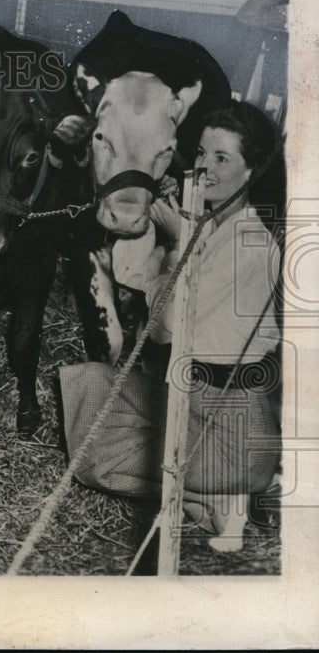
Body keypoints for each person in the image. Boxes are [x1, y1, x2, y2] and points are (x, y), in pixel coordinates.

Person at [60, 100, 282, 554]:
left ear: (251, 171)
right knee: (90, 383)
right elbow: (139, 283)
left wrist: (174, 240)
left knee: (95, 461)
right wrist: (171, 235)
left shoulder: (250, 244)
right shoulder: (212, 225)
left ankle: (223, 493)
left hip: (232, 426)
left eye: (222, 158)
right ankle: (211, 501)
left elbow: (160, 327)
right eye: (201, 153)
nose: (203, 168)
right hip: (192, 398)